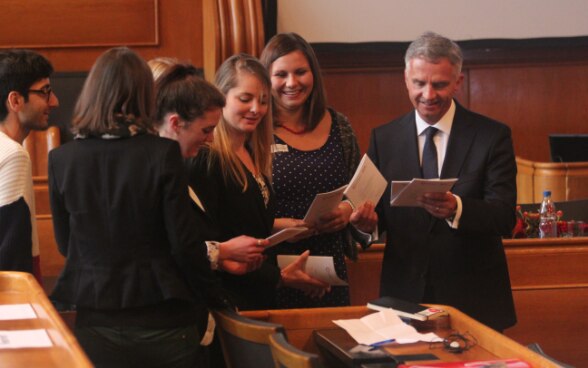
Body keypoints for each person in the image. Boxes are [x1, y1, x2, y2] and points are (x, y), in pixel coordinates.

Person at [48, 47, 231, 368]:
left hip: (96, 318)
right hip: (162, 321)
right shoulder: (161, 153)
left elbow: (66, 244)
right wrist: (217, 299)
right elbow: (184, 245)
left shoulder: (61, 159)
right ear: (145, 95)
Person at [367, 32, 517, 331]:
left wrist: (456, 209)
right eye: (419, 83)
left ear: (458, 82)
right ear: (406, 79)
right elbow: (376, 217)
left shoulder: (491, 136)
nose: (428, 94)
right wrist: (364, 222)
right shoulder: (384, 139)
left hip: (474, 299)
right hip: (404, 297)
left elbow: (503, 216)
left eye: (439, 84)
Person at [186, 53, 329, 311]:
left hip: (258, 298)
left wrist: (279, 227)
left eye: (263, 101)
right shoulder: (206, 159)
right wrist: (280, 277)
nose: (256, 109)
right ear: (221, 98)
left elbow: (240, 220)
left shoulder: (252, 151)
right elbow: (210, 246)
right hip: (229, 303)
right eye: (245, 99)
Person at [260, 32, 377, 308]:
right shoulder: (253, 129)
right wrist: (278, 226)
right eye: (281, 74)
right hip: (271, 269)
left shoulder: (340, 125)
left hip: (330, 267)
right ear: (266, 78)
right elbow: (236, 208)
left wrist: (349, 212)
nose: (292, 83)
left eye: (300, 72)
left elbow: (357, 193)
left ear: (314, 74)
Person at [0, 49, 59, 284]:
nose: (54, 101)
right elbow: (11, 251)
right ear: (15, 100)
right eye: (44, 92)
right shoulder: (14, 155)